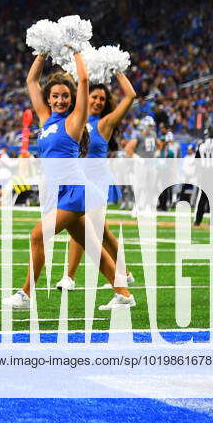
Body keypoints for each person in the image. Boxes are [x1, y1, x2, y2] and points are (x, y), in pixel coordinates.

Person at [2, 53, 135, 311]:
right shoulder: (45, 119)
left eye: (65, 96)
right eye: (55, 96)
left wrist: (75, 51)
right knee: (92, 245)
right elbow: (31, 81)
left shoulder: (74, 121)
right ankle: (123, 294)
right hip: (55, 191)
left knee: (37, 235)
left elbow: (83, 80)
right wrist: (41, 52)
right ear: (48, 98)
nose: (60, 100)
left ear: (72, 99)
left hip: (74, 190)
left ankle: (26, 294)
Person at [56, 73, 137, 291]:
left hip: (96, 183)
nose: (98, 102)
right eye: (94, 97)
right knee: (100, 232)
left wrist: (118, 69)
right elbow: (67, 91)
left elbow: (130, 96)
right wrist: (71, 74)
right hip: (77, 181)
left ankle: (69, 277)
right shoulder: (75, 118)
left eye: (102, 99)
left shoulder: (105, 123)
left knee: (83, 227)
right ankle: (125, 273)